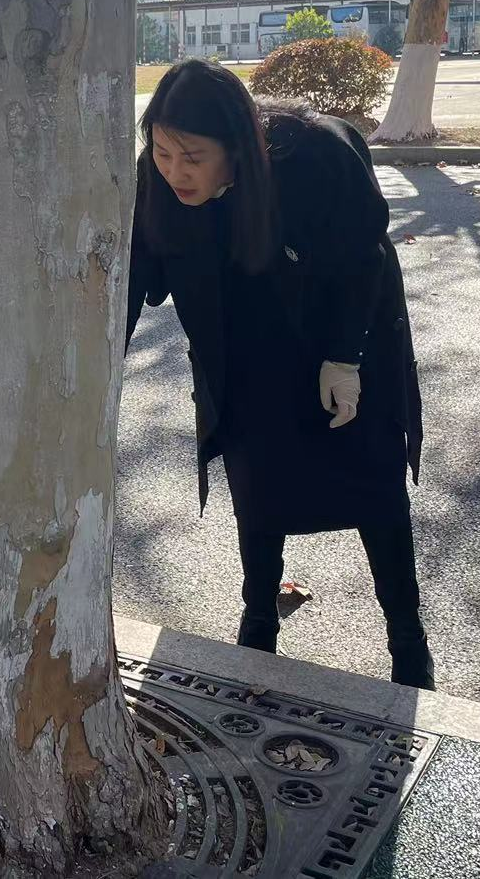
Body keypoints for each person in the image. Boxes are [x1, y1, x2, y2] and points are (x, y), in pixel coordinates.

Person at [127, 60, 433, 689]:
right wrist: (101, 364)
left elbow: (364, 257)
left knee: (373, 487)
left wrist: (345, 356)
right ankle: (259, 621)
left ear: (238, 147)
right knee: (258, 485)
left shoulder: (316, 155)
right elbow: (129, 273)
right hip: (244, 348)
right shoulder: (156, 178)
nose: (175, 171)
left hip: (344, 336)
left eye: (193, 157)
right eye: (162, 151)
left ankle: (408, 641)